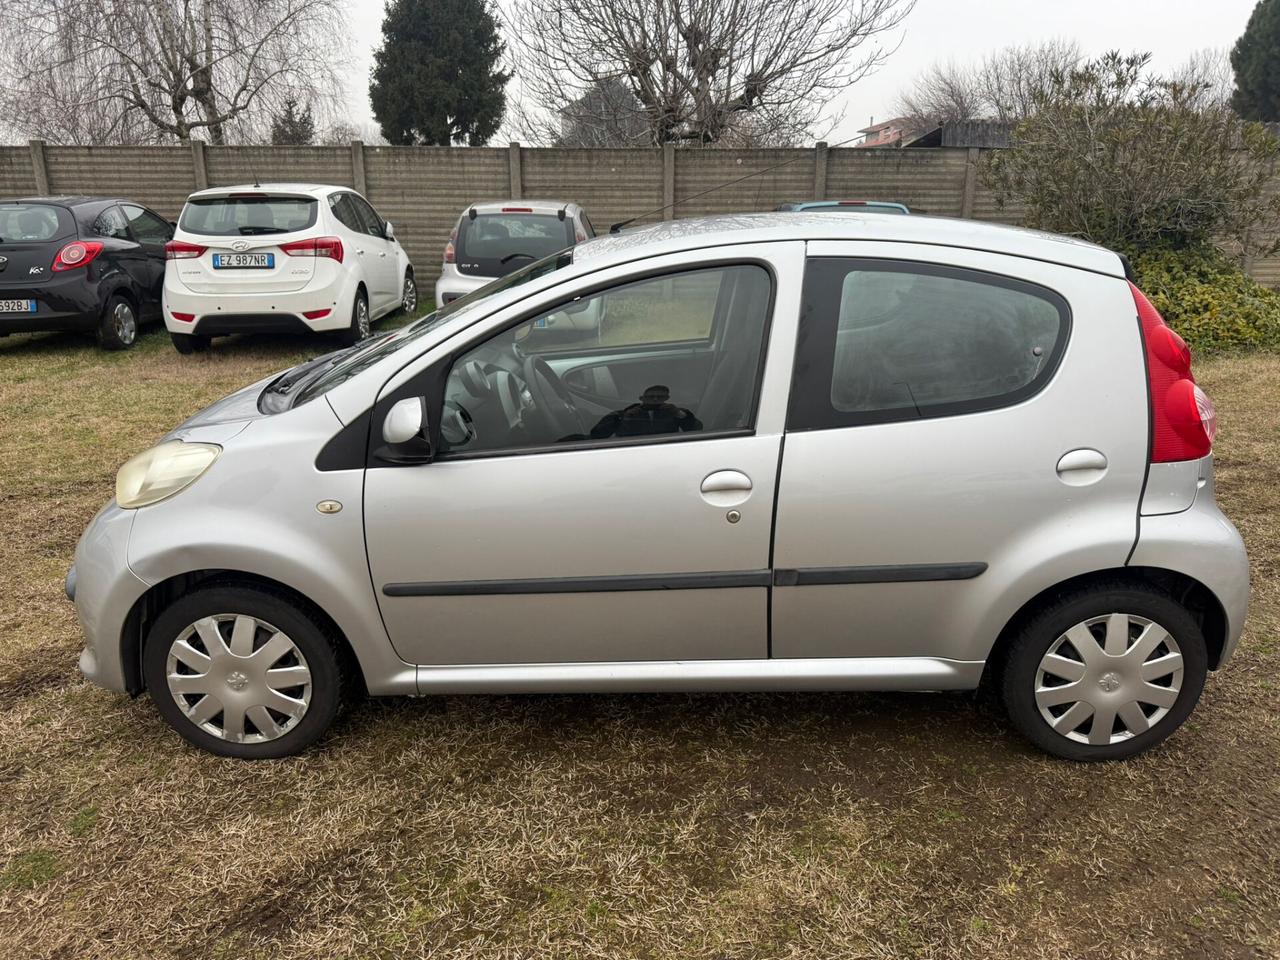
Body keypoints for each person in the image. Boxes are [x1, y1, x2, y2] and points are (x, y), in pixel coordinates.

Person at [590, 385, 703, 439]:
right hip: (629, 452)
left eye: (660, 397)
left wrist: (681, 415)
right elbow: (597, 435)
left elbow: (698, 430)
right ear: (641, 398)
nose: (655, 399)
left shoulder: (676, 413)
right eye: (651, 396)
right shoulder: (622, 415)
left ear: (667, 398)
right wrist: (624, 418)